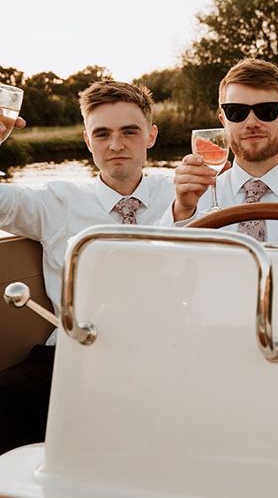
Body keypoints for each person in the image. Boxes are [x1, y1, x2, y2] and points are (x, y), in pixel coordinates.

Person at [0, 80, 175, 455]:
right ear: (87, 140)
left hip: (167, 356)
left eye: (129, 131)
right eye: (103, 134)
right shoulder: (56, 202)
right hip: (74, 358)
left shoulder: (185, 191)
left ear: (151, 136)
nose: (115, 145)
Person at [166, 58, 278, 242]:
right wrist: (183, 211)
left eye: (266, 110)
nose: (251, 123)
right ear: (223, 121)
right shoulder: (191, 201)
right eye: (236, 111)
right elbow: (161, 263)